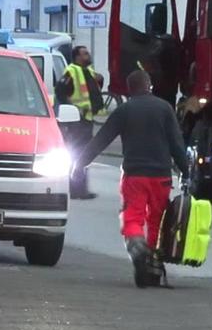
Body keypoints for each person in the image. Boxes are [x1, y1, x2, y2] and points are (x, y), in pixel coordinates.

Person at [78, 68, 192, 283]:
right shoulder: (165, 108)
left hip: (134, 175)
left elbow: (101, 139)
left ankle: (138, 249)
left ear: (130, 90)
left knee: (133, 217)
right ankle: (153, 266)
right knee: (157, 221)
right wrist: (186, 172)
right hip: (161, 176)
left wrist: (80, 163)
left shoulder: (125, 110)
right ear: (148, 85)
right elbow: (177, 144)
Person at [57, 46, 104, 199]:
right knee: (77, 154)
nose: (88, 55)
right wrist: (71, 107)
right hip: (77, 121)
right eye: (84, 54)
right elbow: (60, 91)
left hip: (86, 120)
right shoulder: (72, 71)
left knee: (84, 154)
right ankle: (76, 189)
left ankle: (80, 189)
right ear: (77, 57)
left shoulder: (87, 71)